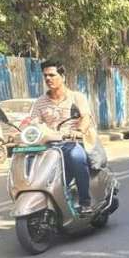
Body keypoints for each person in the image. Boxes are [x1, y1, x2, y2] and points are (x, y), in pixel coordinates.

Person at [28, 60, 98, 214]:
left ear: (63, 77)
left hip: (71, 143)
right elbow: (33, 123)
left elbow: (86, 117)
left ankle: (85, 202)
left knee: (77, 157)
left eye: (52, 75)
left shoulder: (76, 97)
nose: (48, 78)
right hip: (49, 146)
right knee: (29, 163)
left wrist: (79, 130)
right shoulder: (40, 102)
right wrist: (21, 134)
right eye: (45, 76)